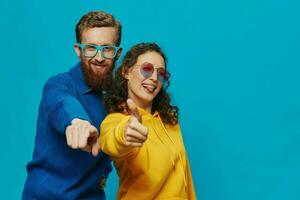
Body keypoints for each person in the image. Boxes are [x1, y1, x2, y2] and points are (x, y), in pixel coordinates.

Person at [22, 11, 122, 199]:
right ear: (78, 50)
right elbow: (61, 102)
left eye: (107, 49)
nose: (99, 57)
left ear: (117, 53)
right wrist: (77, 122)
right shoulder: (59, 84)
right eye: (91, 48)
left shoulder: (116, 99)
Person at [99, 42, 196, 199]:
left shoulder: (169, 122)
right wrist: (125, 133)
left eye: (160, 74)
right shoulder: (116, 120)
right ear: (126, 71)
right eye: (146, 69)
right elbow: (111, 141)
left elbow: (186, 181)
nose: (154, 78)